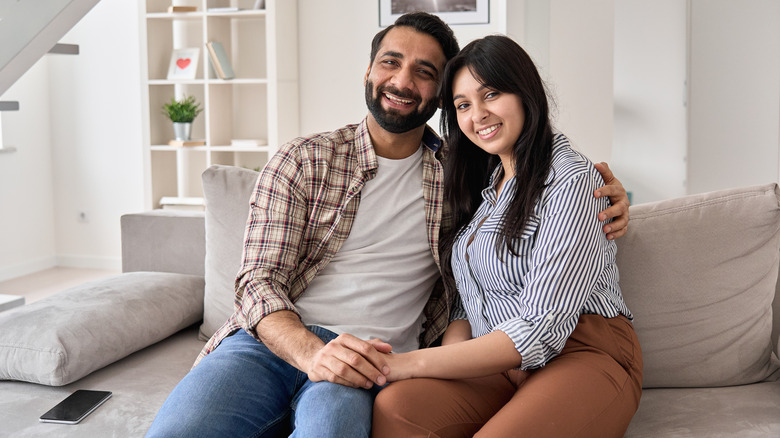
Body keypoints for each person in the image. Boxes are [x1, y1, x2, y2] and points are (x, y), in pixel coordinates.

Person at [146, 14, 631, 438]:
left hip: (374, 356)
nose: (402, 81)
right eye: (391, 62)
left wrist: (614, 195)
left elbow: (548, 179)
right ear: (369, 70)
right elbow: (256, 282)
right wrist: (314, 355)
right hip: (273, 346)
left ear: (436, 96)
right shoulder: (305, 159)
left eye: (425, 73)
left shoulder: (460, 173)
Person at [371, 35, 643, 437]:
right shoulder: (484, 182)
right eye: (463, 105)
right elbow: (467, 305)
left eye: (491, 94)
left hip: (582, 351)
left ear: (525, 92)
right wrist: (446, 370)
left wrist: (408, 364)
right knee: (397, 408)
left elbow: (540, 325)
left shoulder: (573, 181)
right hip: (498, 362)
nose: (478, 114)